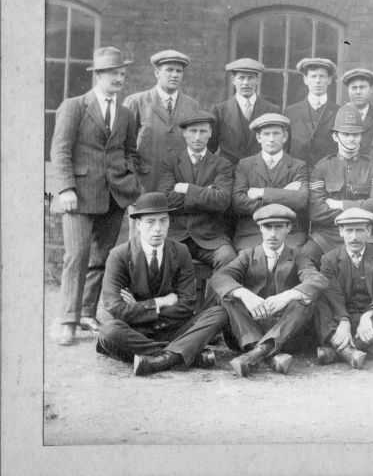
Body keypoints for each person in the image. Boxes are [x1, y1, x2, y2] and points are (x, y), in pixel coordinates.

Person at [50, 46, 141, 345]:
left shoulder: (126, 113)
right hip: (78, 195)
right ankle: (67, 320)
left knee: (102, 257)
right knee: (76, 255)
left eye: (122, 74)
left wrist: (129, 177)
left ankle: (88, 313)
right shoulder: (75, 106)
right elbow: (60, 149)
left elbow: (131, 151)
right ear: (98, 75)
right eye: (114, 73)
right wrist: (65, 188)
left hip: (115, 195)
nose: (119, 78)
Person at [95, 193, 228, 376]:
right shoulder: (118, 256)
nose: (157, 229)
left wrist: (138, 307)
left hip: (173, 330)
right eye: (150, 222)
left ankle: (161, 357)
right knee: (109, 332)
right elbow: (116, 309)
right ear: (139, 225)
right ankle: (185, 353)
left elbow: (187, 305)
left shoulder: (181, 252)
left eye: (163, 221)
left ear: (168, 223)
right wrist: (161, 302)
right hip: (135, 332)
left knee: (219, 313)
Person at [209, 204, 328, 378]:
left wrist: (288, 295)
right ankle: (267, 352)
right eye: (267, 227)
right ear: (260, 228)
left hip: (286, 332)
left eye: (279, 227)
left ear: (288, 228)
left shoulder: (298, 255)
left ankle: (258, 352)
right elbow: (219, 278)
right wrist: (244, 293)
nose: (273, 234)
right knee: (227, 296)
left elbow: (317, 279)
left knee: (304, 301)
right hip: (249, 329)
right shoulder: (247, 255)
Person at [314, 208, 373, 368]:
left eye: (359, 231)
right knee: (318, 297)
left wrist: (368, 316)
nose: (354, 237)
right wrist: (343, 321)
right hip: (342, 321)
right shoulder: (329, 259)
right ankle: (349, 345)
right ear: (340, 232)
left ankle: (342, 350)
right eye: (349, 231)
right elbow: (333, 295)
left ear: (369, 231)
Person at [303, 103, 373, 267]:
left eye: (356, 135)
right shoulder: (321, 168)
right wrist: (361, 208)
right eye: (346, 134)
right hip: (328, 236)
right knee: (306, 255)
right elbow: (316, 211)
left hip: (365, 234)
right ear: (335, 136)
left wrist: (340, 204)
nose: (351, 139)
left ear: (361, 137)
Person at [158, 110, 236, 271]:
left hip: (210, 237)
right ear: (185, 133)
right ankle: (174, 298)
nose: (198, 137)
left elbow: (222, 200)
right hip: (177, 235)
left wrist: (187, 189)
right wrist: (205, 193)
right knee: (157, 256)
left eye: (203, 131)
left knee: (227, 258)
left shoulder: (222, 165)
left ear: (210, 133)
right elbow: (166, 199)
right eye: (193, 131)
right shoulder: (170, 162)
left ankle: (213, 298)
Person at [124, 49, 201, 194]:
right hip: (144, 184)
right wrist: (132, 181)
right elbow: (125, 148)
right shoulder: (136, 102)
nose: (174, 75)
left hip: (179, 185)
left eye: (179, 71)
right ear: (157, 73)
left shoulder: (193, 106)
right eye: (169, 70)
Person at [231, 113, 308, 251]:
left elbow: (301, 200)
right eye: (266, 134)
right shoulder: (245, 165)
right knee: (251, 260)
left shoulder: (298, 166)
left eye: (276, 134)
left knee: (289, 261)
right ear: (258, 137)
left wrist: (262, 193)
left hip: (288, 233)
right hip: (252, 231)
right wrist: (285, 194)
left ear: (285, 137)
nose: (271, 139)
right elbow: (238, 202)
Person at [208, 58, 281, 167]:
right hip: (229, 174)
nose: (246, 83)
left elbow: (279, 148)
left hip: (261, 173)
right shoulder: (219, 110)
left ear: (257, 79)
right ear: (233, 80)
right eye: (241, 78)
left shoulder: (272, 110)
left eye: (250, 78)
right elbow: (210, 148)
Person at [284, 57, 340, 168]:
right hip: (298, 174)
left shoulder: (339, 112)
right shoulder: (290, 112)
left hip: (328, 175)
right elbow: (284, 148)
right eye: (313, 76)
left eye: (322, 76)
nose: (318, 81)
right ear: (305, 80)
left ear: (329, 80)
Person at [340, 68, 373, 160]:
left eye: (362, 87)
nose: (358, 92)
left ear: (371, 90)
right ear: (348, 90)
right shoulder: (339, 115)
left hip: (371, 170)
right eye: (354, 88)